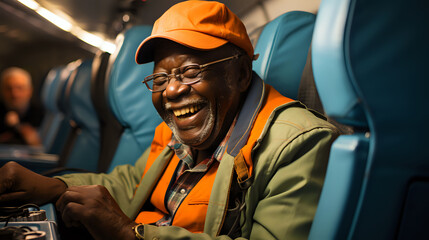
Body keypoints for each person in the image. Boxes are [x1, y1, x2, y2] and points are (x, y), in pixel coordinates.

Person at [0, 1, 339, 239]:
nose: (172, 90)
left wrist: (129, 234)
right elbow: (131, 183)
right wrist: (56, 187)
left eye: (190, 71)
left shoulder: (297, 144)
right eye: (160, 79)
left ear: (239, 73)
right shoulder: (174, 132)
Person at [0, 67, 44, 146]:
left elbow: (39, 145)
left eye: (19, 88)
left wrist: (19, 127)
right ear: (2, 91)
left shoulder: (41, 114)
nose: (14, 94)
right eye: (9, 88)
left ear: (29, 91)